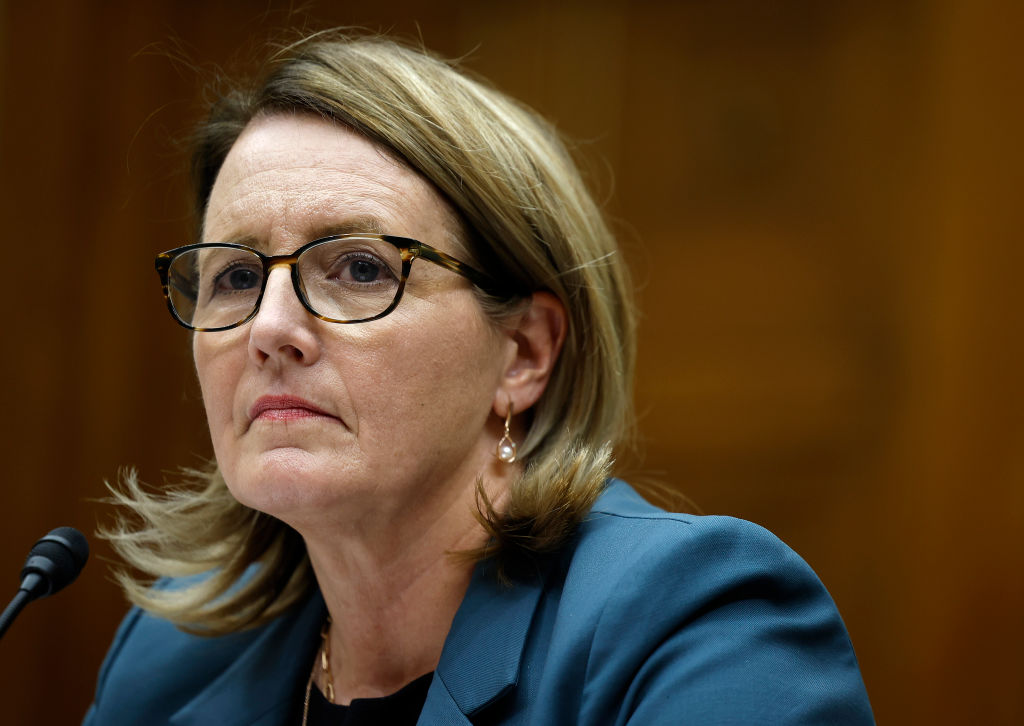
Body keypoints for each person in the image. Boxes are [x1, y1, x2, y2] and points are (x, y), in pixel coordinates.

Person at [84, 32, 874, 725]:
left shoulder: (695, 628)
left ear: (523, 353)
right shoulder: (171, 659)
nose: (269, 330)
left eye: (359, 268)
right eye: (232, 278)